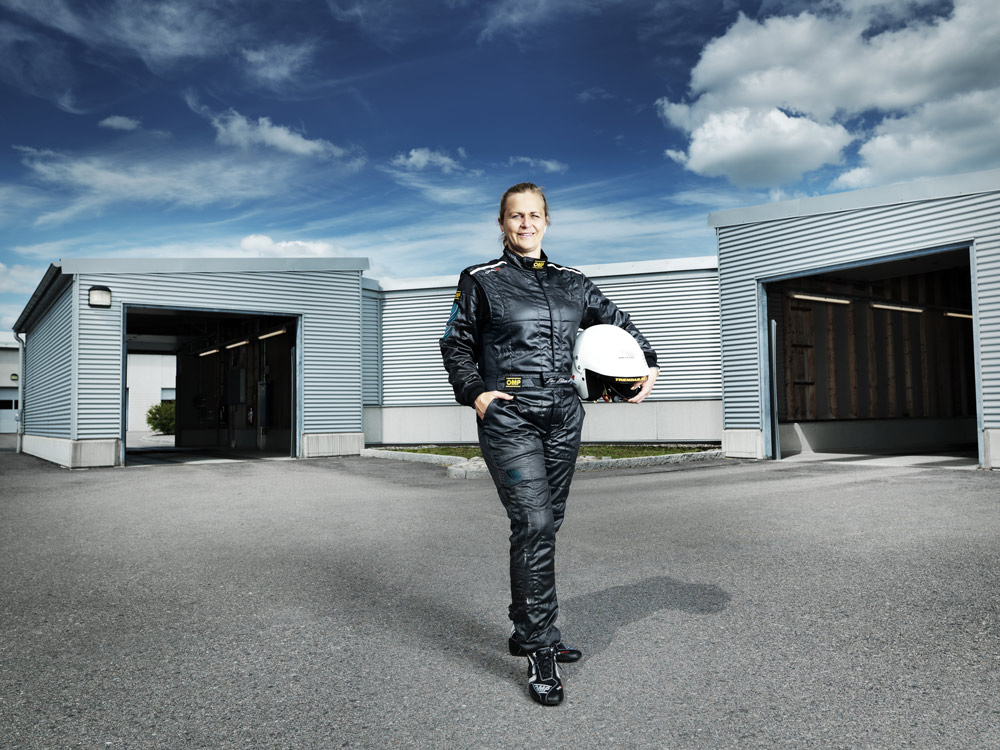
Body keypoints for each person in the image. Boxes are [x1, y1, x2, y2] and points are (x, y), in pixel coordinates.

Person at [439, 182, 658, 706]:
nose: (526, 224)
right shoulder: (480, 279)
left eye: (534, 215)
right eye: (516, 216)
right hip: (510, 414)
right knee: (534, 522)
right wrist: (476, 395)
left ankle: (528, 628)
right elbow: (456, 342)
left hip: (563, 414)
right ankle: (540, 646)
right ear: (502, 223)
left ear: (546, 220)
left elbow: (620, 325)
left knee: (546, 523)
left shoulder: (573, 282)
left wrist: (647, 363)